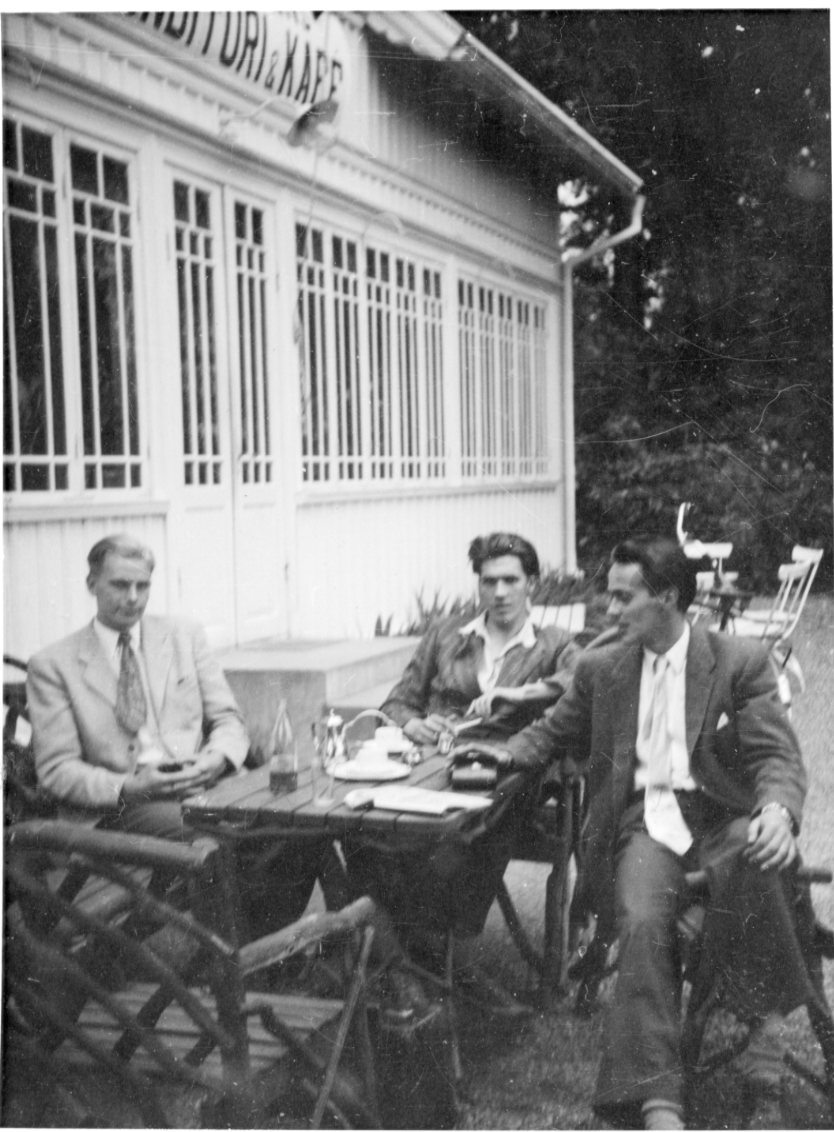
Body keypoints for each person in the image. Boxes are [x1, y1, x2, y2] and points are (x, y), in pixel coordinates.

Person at [455, 534, 812, 1128]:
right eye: (610, 596)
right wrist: (500, 754)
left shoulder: (738, 660)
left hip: (721, 817)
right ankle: (658, 1103)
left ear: (667, 597)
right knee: (644, 921)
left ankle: (764, 1051)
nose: (610, 609)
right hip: (645, 824)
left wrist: (776, 810)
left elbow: (776, 756)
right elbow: (551, 732)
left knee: (763, 856)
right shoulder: (604, 667)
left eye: (624, 598)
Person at [346, 532, 580, 1018]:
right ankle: (404, 961)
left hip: (507, 771)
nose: (499, 592)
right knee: (362, 830)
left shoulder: (554, 643)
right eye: (489, 581)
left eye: (510, 580)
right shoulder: (446, 636)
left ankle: (435, 958)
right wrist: (412, 723)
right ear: (478, 585)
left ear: (532, 583)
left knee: (464, 837)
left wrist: (520, 696)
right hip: (429, 765)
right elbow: (398, 701)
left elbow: (579, 684)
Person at [27, 533, 249, 836]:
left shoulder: (185, 636)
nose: (133, 597)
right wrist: (129, 786)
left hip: (202, 784)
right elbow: (57, 770)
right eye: (120, 585)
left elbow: (228, 719)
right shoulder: (53, 665)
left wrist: (216, 760)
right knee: (213, 834)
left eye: (142, 586)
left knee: (289, 824)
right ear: (91, 584)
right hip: (119, 807)